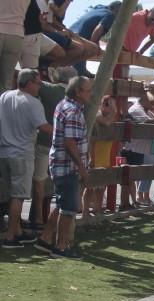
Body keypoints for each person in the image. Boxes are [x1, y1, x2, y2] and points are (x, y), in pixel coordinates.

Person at [0, 68, 50, 249]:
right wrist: (62, 131)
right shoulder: (33, 103)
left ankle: (18, 232)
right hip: (21, 153)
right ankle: (11, 236)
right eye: (38, 83)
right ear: (29, 83)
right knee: (18, 196)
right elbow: (43, 127)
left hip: (4, 153)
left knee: (13, 194)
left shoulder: (5, 96)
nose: (39, 87)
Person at [45, 75, 90, 259]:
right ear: (78, 92)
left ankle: (45, 238)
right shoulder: (72, 110)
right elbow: (70, 142)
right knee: (69, 208)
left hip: (61, 164)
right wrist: (82, 167)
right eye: (88, 90)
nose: (90, 94)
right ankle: (61, 247)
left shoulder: (63, 105)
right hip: (67, 166)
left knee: (62, 204)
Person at [30, 66, 71, 237]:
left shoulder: (48, 89)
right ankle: (56, 220)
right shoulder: (74, 96)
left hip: (44, 142)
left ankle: (38, 218)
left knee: (38, 180)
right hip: (64, 145)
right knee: (60, 183)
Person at [66, 2, 120, 77]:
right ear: (116, 11)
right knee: (80, 72)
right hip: (79, 38)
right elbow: (98, 30)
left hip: (70, 33)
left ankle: (79, 71)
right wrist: (93, 46)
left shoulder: (99, 7)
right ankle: (80, 73)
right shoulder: (110, 15)